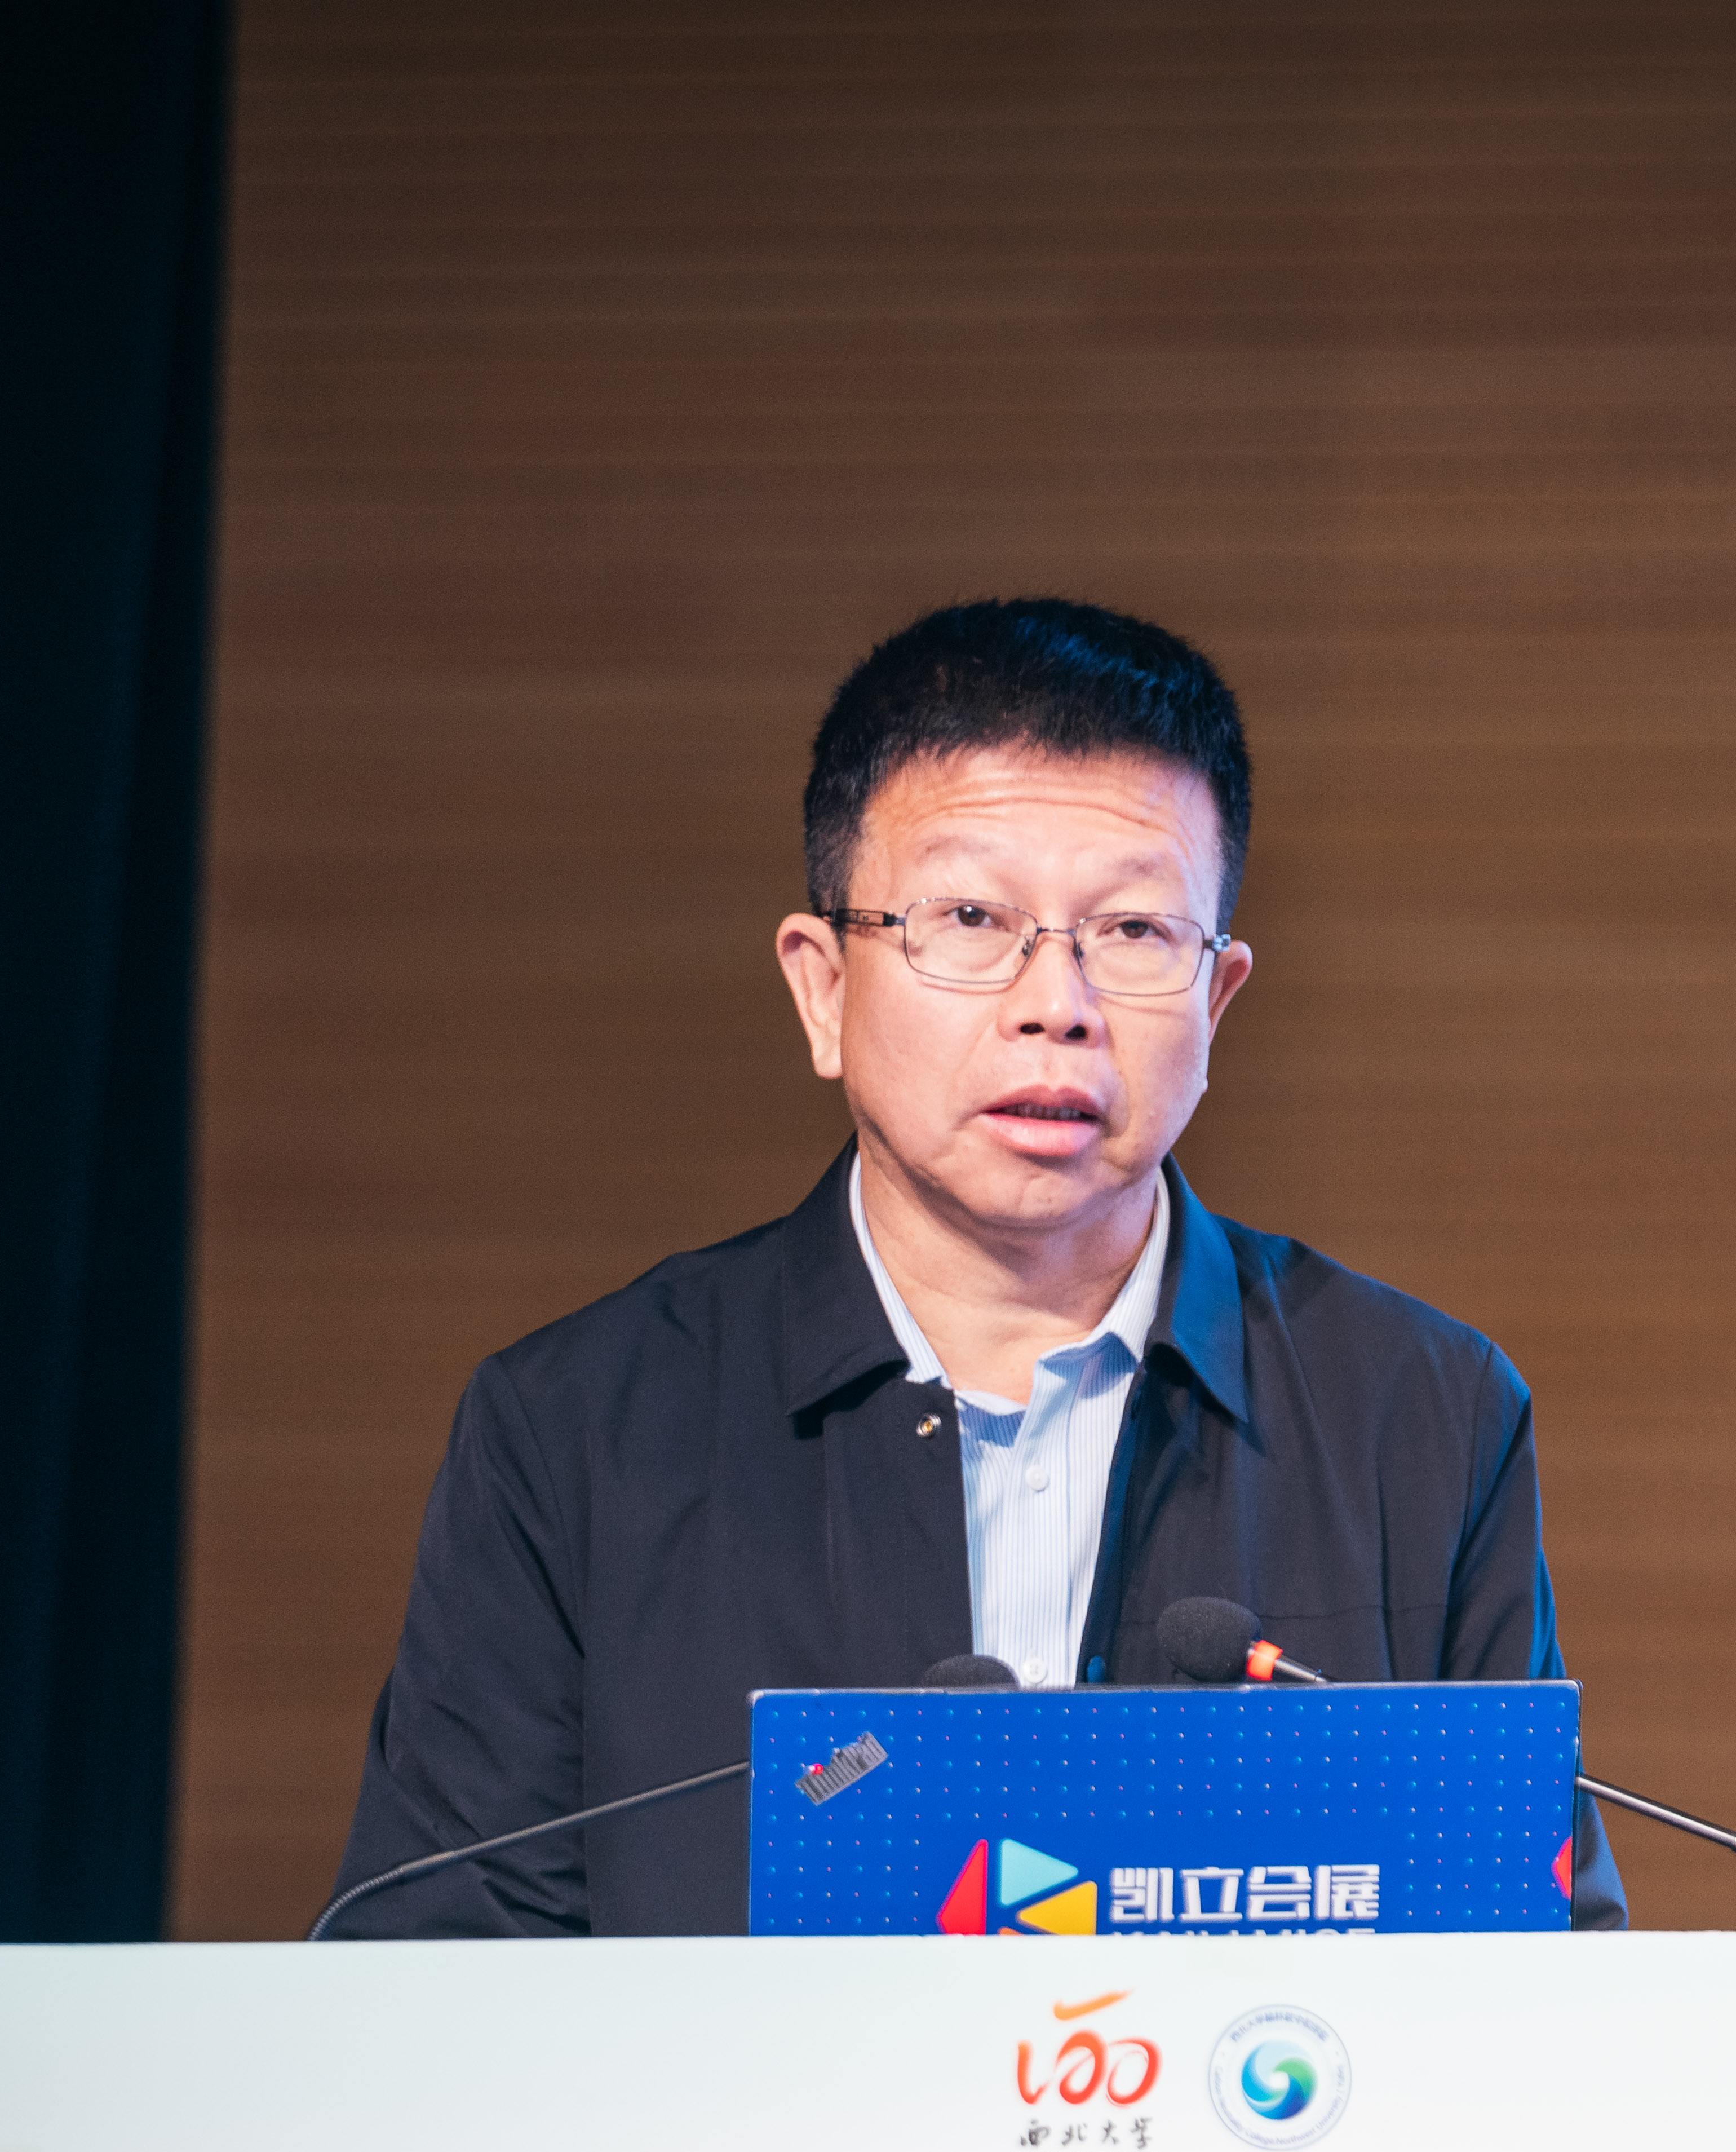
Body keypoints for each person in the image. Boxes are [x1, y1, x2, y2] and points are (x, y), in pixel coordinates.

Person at [329, 596, 1628, 1934]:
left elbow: (1547, 1971)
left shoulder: (1421, 1416)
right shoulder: (576, 1433)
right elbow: (435, 1978)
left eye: (1132, 932)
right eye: (968, 917)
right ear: (825, 988)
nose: (1055, 1003)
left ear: (1217, 997)